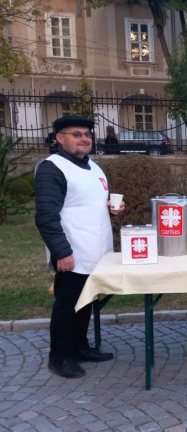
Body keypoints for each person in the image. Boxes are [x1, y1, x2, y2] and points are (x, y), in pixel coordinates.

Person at [34, 115, 125, 378]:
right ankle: (59, 356)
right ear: (59, 138)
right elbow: (46, 216)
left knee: (86, 302)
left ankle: (80, 347)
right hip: (71, 253)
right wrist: (61, 251)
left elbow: (90, 203)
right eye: (77, 134)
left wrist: (112, 208)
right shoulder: (53, 168)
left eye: (87, 134)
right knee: (67, 304)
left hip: (96, 251)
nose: (84, 138)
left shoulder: (93, 166)